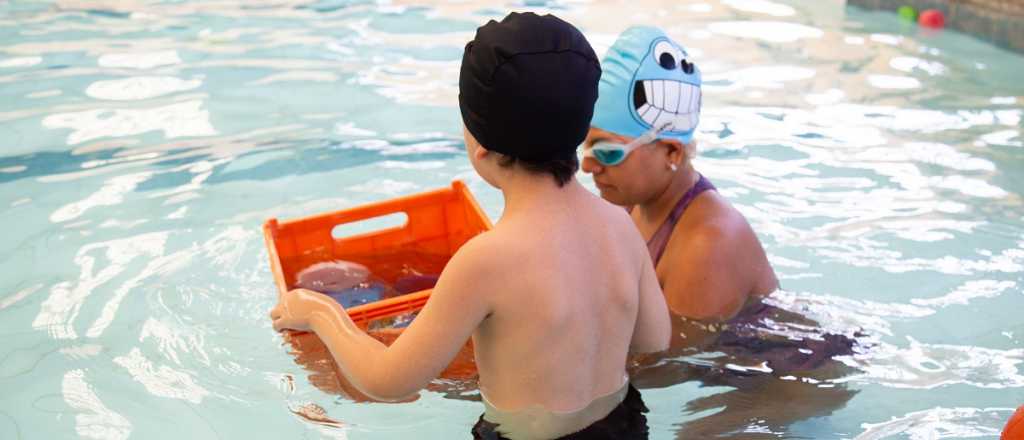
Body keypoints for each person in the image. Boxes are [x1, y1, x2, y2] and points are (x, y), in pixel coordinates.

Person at [271, 13, 671, 440]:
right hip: (624, 426)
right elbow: (654, 338)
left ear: (480, 146)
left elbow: (388, 381)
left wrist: (320, 312)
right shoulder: (620, 224)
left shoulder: (486, 260)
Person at [582, 27, 860, 438]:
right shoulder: (627, 198)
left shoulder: (707, 243)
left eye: (607, 151)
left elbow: (663, 366)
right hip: (729, 367)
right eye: (584, 146)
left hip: (791, 379)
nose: (588, 165)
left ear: (671, 153)